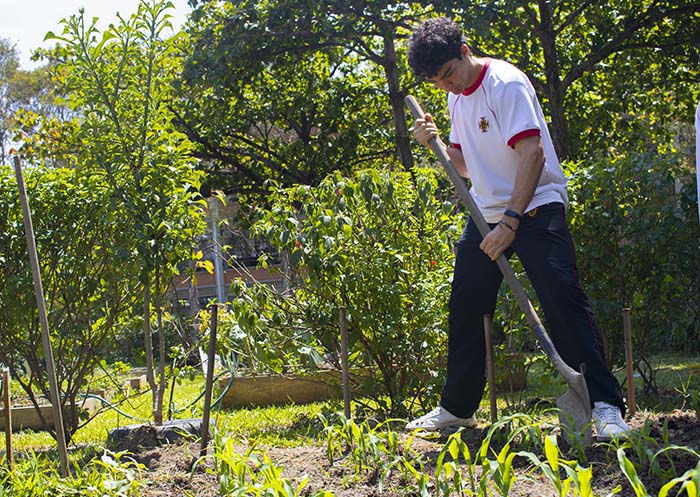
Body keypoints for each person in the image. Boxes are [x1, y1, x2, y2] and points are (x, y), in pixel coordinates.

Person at [405, 17, 630, 440]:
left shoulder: (505, 85)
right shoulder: (456, 99)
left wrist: (511, 221)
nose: (447, 86)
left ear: (465, 50)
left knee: (561, 298)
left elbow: (532, 155)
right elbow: (467, 166)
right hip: (486, 213)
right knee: (467, 302)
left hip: (535, 207)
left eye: (450, 74)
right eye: (436, 82)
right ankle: (457, 408)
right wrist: (431, 142)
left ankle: (605, 405)